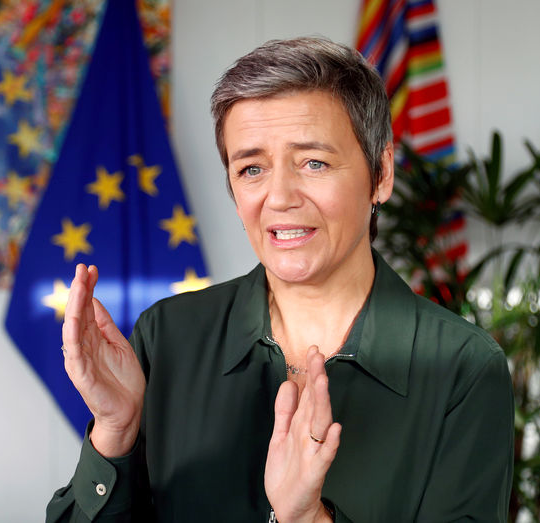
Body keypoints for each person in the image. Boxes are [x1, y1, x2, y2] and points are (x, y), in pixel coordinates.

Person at [46, 37, 514, 522]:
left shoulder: (463, 368)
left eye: (314, 162)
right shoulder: (166, 337)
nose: (280, 197)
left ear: (381, 173)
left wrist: (308, 518)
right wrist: (115, 431)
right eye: (252, 168)